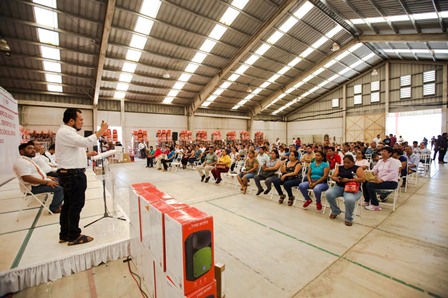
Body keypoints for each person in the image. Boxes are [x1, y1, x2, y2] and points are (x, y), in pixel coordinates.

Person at [56, 108, 108, 246]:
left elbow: (71, 154)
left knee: (68, 205)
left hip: (69, 173)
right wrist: (101, 130)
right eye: (80, 120)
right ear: (71, 120)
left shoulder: (67, 133)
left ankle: (65, 233)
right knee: (75, 205)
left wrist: (86, 155)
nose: (82, 123)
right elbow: (86, 142)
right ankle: (73, 235)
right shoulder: (66, 132)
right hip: (73, 175)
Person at [13, 142, 64, 214]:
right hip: (33, 187)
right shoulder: (21, 162)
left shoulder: (28, 159)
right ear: (22, 151)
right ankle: (54, 208)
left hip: (39, 183)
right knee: (59, 188)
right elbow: (26, 178)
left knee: (63, 182)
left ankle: (58, 203)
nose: (33, 150)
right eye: (29, 149)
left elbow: (35, 173)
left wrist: (47, 177)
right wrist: (47, 182)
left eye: (33, 148)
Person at [326, 155, 366, 226]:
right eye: (344, 162)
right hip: (339, 187)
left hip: (352, 188)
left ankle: (348, 218)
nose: (346, 164)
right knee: (328, 193)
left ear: (353, 162)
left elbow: (363, 179)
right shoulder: (340, 167)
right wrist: (336, 178)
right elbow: (333, 176)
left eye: (348, 162)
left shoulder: (357, 168)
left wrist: (350, 180)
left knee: (349, 199)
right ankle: (335, 211)